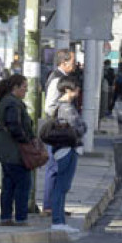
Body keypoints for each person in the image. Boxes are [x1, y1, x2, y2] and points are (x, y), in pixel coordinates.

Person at [0, 74, 34, 226]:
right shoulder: (12, 103)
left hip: (7, 152)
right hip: (14, 152)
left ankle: (6, 217)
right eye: (24, 87)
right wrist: (27, 141)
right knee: (22, 185)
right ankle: (21, 218)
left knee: (8, 185)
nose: (26, 90)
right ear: (15, 87)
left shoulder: (9, 101)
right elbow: (14, 126)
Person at [46, 76, 85, 233]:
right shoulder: (67, 108)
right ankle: (57, 221)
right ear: (68, 90)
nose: (78, 90)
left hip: (62, 149)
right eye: (76, 88)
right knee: (61, 186)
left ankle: (59, 220)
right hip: (67, 149)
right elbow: (78, 128)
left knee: (61, 186)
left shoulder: (59, 107)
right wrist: (83, 127)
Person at [42, 49, 75, 217]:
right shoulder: (57, 79)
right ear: (64, 62)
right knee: (54, 168)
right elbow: (49, 106)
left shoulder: (61, 77)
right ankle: (49, 206)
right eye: (72, 61)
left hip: (59, 129)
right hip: (55, 129)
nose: (75, 65)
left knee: (59, 167)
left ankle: (55, 205)